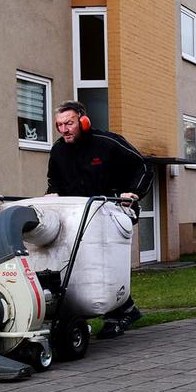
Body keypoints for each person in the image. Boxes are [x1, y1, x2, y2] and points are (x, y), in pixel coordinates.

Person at [47, 101, 152, 338]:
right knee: (82, 263)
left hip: (115, 211)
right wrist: (52, 194)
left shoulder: (108, 143)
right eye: (59, 125)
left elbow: (143, 166)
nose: (64, 129)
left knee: (105, 261)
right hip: (79, 215)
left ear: (84, 122)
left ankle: (119, 313)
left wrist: (133, 192)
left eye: (69, 123)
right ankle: (126, 307)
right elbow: (54, 181)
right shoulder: (58, 150)